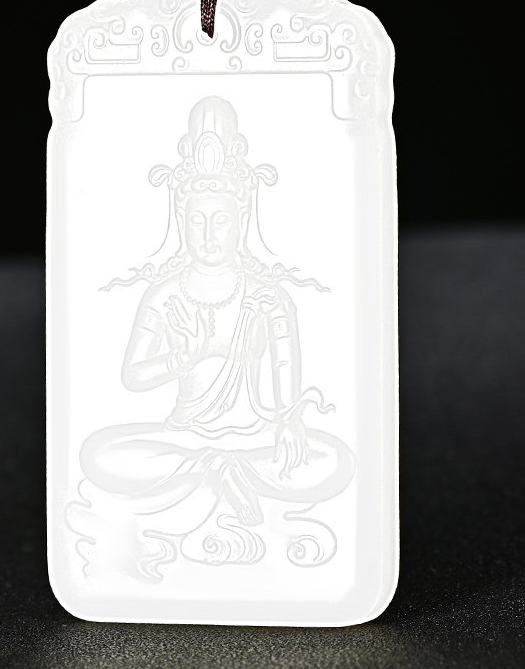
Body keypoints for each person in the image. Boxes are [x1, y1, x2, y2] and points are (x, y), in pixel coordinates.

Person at [81, 97, 353, 534]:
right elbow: (132, 376)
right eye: (197, 221)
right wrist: (184, 359)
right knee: (96, 452)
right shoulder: (165, 295)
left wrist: (289, 423)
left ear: (241, 218)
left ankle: (219, 471)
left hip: (254, 435)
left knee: (336, 462)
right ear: (181, 219)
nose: (208, 235)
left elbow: (286, 379)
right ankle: (217, 470)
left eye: (220, 221)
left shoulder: (268, 297)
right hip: (184, 435)